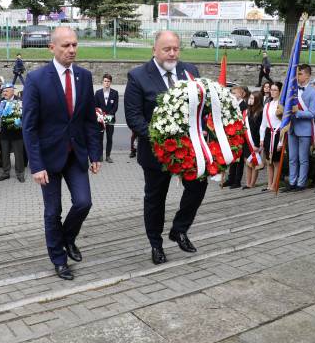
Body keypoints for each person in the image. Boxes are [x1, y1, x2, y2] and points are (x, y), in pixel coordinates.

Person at [22, 26, 102, 280]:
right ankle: (58, 259)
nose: (71, 50)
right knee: (52, 211)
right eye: (66, 45)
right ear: (52, 47)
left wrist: (95, 153)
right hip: (48, 159)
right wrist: (36, 165)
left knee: (83, 202)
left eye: (74, 45)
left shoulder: (84, 76)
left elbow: (89, 119)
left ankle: (68, 238)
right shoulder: (36, 79)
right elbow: (30, 126)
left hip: (76, 154)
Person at [124, 30, 206, 265]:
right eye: (167, 49)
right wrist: (160, 136)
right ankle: (156, 244)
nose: (172, 53)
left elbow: (200, 106)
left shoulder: (190, 71)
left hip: (189, 150)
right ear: (155, 50)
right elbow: (133, 117)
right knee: (155, 199)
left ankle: (179, 229)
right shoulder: (137, 76)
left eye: (176, 48)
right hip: (156, 151)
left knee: (198, 186)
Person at [285, 64, 315, 192]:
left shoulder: (313, 92)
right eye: (297, 73)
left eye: (300, 74)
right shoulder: (292, 89)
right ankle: (292, 182)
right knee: (292, 158)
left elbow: (312, 113)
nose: (297, 76)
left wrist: (296, 112)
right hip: (292, 127)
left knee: (303, 158)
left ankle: (301, 183)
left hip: (304, 129)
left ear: (308, 75)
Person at [0, 83, 26, 182]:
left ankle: (20, 173)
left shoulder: (19, 100)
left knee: (18, 154)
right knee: (4, 153)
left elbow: (24, 115)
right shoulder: (1, 101)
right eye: (3, 91)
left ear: (12, 91)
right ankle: (6, 172)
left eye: (6, 91)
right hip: (4, 132)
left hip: (17, 132)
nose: (4, 93)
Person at [260, 82, 283, 192]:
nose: (272, 92)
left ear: (280, 91)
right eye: (271, 89)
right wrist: (261, 138)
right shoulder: (267, 105)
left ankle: (275, 183)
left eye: (275, 90)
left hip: (278, 134)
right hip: (269, 134)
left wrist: (281, 142)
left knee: (276, 161)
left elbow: (284, 123)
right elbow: (263, 123)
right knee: (269, 160)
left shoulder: (282, 105)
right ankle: (269, 184)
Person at [225, 85, 249, 188]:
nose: (233, 95)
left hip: (240, 135)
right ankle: (230, 179)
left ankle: (237, 180)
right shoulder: (231, 105)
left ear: (241, 94)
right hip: (232, 134)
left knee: (239, 159)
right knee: (232, 158)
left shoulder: (244, 106)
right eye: (232, 93)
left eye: (235, 93)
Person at [94, 73, 118, 163]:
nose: (106, 83)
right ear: (102, 82)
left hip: (110, 118)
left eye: (108, 81)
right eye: (105, 81)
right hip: (100, 119)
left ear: (110, 82)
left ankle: (108, 156)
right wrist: (100, 116)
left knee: (109, 137)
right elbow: (95, 106)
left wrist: (107, 116)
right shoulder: (98, 93)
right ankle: (100, 156)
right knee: (100, 138)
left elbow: (115, 107)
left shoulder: (114, 93)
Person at [243, 90, 264, 189]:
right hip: (247, 141)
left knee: (255, 162)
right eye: (249, 98)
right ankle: (247, 183)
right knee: (248, 162)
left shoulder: (260, 112)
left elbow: (259, 129)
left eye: (252, 98)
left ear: (257, 100)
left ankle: (252, 183)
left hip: (255, 141)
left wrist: (257, 144)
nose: (249, 100)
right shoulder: (248, 111)